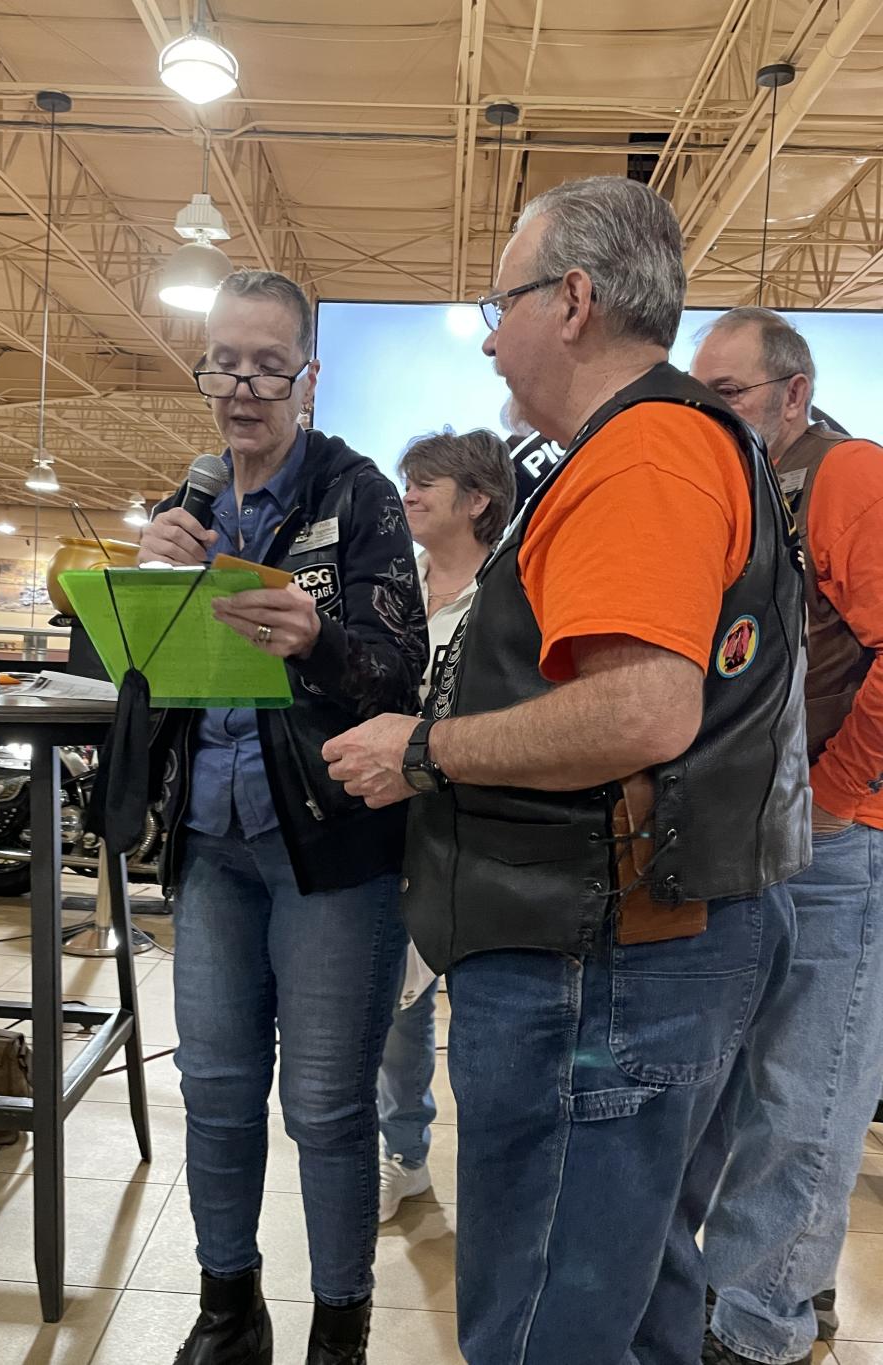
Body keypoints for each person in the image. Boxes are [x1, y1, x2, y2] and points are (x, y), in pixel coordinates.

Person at [322, 175, 810, 1365]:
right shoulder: (658, 445)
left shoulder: (643, 454)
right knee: (632, 1294)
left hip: (595, 957)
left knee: (547, 1308)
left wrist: (422, 750)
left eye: (503, 306)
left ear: (575, 301)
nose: (491, 340)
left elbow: (641, 710)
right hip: (633, 939)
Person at [139, 268, 426, 1365]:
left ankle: (339, 1331)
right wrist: (144, 582)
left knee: (324, 1106)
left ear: (309, 375)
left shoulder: (357, 496)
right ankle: (229, 1311)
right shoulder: (192, 501)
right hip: (210, 845)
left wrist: (319, 639)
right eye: (223, 364)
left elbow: (402, 670)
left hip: (331, 847)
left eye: (267, 366)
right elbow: (139, 673)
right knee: (213, 1090)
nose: (241, 389)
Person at [691, 308, 883, 1365]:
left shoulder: (847, 475)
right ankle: (786, 1285)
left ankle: (754, 1328)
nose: (712, 413)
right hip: (767, 829)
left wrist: (839, 791)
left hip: (838, 835)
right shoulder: (757, 493)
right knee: (763, 1086)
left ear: (793, 392)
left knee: (808, 1088)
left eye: (729, 393)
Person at [378, 428, 515, 1222]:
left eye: (426, 481)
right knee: (395, 1012)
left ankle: (498, 1191)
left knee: (490, 1020)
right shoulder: (392, 585)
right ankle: (403, 1153)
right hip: (392, 824)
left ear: (477, 499)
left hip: (484, 830)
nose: (410, 493)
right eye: (409, 478)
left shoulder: (510, 590)